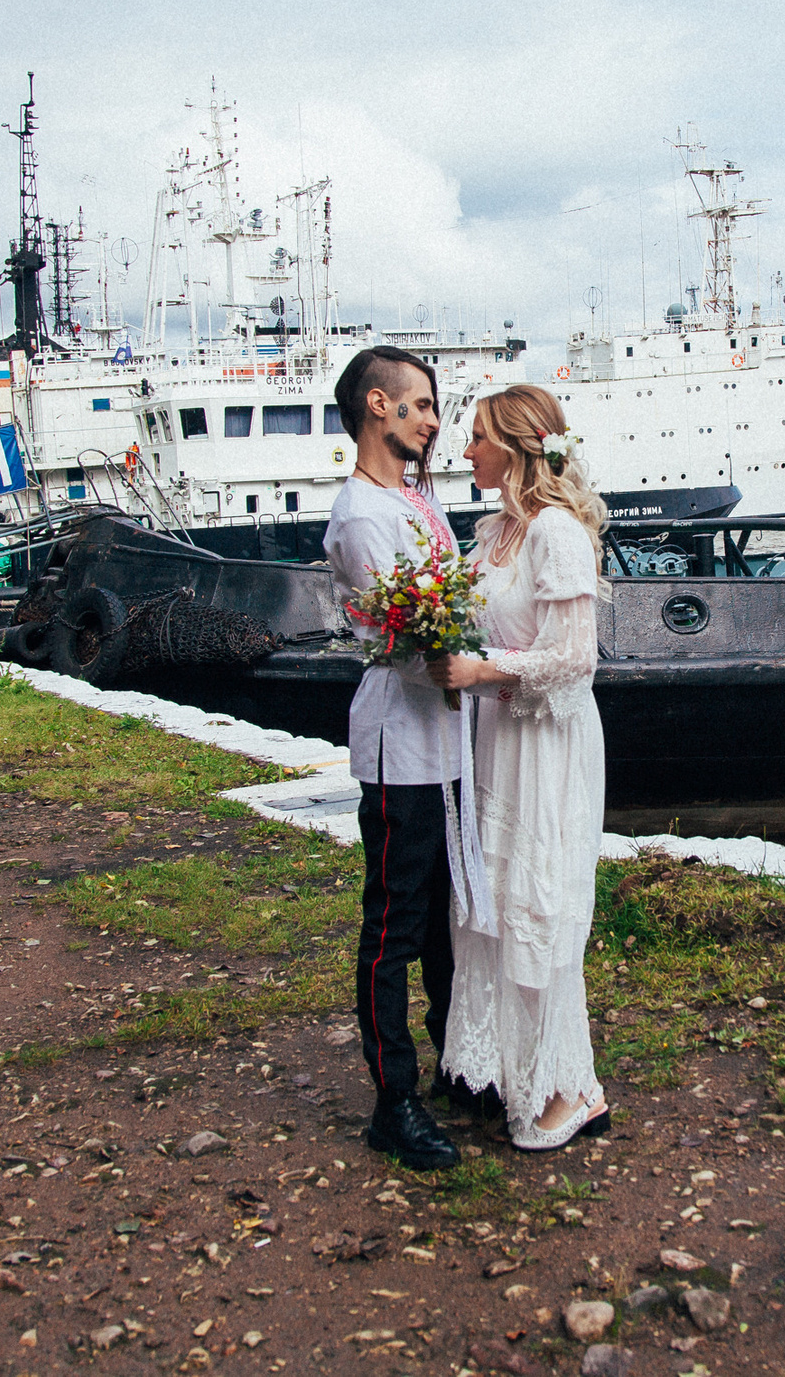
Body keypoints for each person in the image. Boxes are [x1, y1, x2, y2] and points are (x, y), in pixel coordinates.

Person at [428, 385, 612, 1151]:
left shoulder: (556, 532)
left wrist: (478, 671)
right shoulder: (495, 531)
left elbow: (575, 658)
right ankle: (524, 1071)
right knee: (499, 901)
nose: (463, 450)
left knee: (538, 901)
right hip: (500, 737)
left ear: (514, 445)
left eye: (475, 437)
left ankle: (568, 1087)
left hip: (546, 744)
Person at [324, 345, 465, 1172]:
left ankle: (456, 1061)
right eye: (418, 405)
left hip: (447, 738)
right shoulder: (365, 514)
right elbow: (408, 635)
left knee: (448, 922)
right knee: (395, 928)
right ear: (377, 406)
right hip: (400, 744)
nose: (432, 420)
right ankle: (394, 1099)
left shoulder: (411, 499)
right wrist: (478, 659)